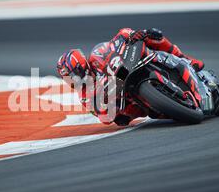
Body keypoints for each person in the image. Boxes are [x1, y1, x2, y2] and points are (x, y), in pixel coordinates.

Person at [56, 28, 204, 126]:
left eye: (75, 75)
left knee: (152, 36)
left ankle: (187, 59)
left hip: (130, 66)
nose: (74, 80)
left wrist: (132, 35)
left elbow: (117, 40)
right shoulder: (84, 94)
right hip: (128, 97)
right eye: (69, 79)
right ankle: (172, 104)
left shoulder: (97, 55)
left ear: (83, 66)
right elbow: (103, 117)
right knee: (123, 118)